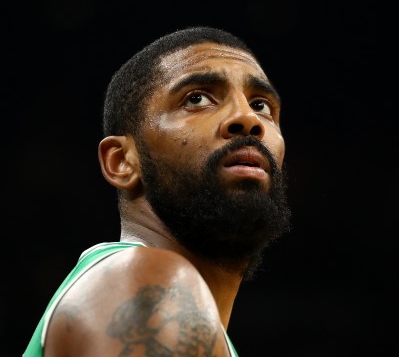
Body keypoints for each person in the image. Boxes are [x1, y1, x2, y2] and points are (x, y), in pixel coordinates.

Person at [24, 26, 292, 357]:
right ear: (122, 161)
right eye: (197, 99)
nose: (247, 118)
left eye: (261, 105)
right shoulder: (146, 282)